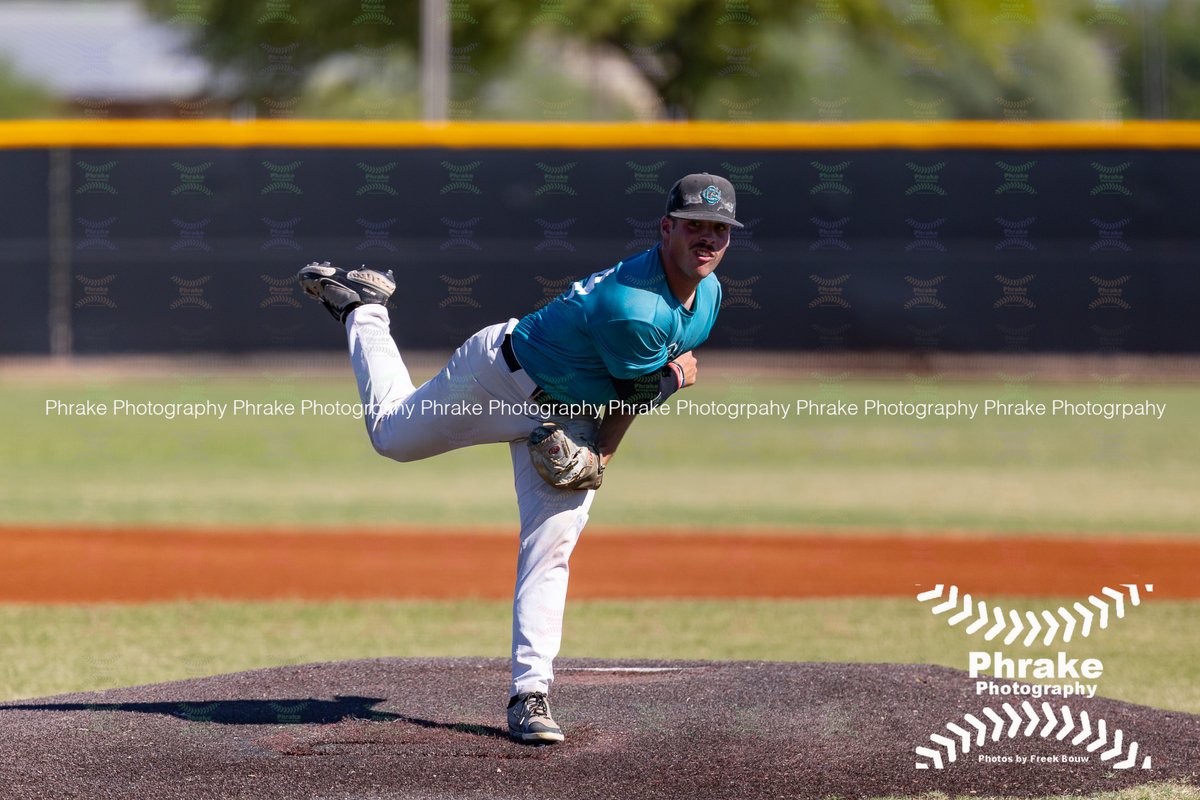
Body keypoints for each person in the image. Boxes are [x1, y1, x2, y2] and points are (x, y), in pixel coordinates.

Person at [296, 173, 742, 743]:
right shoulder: (633, 304)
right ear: (667, 229)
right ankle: (365, 311)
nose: (707, 239)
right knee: (391, 437)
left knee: (550, 549)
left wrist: (600, 446)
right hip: (497, 378)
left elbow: (630, 383)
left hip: (570, 411)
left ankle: (530, 694)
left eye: (719, 230)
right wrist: (611, 447)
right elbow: (636, 392)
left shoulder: (709, 295)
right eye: (695, 227)